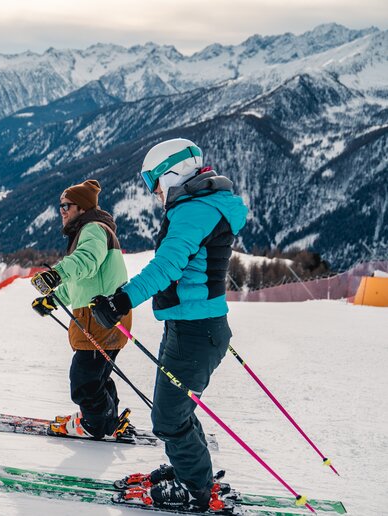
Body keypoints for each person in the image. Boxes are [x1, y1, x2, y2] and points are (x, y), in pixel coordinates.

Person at [89, 138, 248, 511]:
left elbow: (167, 266)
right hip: (190, 327)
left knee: (168, 417)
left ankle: (195, 490)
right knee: (175, 411)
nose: (154, 191)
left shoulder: (195, 211)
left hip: (196, 331)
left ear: (173, 173)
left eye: (154, 180)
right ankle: (189, 469)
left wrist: (122, 300)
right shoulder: (198, 206)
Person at [30, 179, 133, 439]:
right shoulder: (91, 229)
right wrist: (53, 299)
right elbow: (82, 282)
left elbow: (87, 260)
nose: (62, 210)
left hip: (99, 319)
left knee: (84, 384)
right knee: (97, 377)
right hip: (101, 317)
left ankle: (96, 426)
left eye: (67, 205)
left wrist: (56, 274)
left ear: (83, 208)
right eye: (60, 206)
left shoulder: (93, 229)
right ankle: (105, 420)